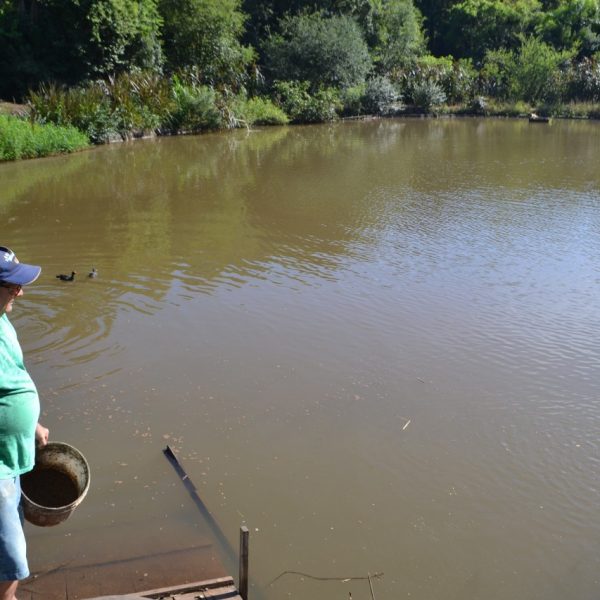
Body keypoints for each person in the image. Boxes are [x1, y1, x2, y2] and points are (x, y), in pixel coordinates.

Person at [0, 246, 49, 600]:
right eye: (13, 285)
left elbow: (14, 377)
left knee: (8, 547)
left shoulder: (3, 320)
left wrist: (31, 424)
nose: (21, 291)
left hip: (12, 458)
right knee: (12, 557)